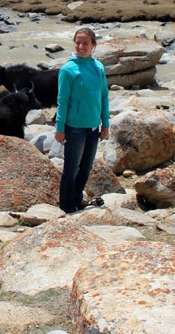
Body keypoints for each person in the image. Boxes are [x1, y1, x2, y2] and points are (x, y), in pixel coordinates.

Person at [55, 27, 110, 214]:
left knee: (86, 168)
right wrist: (60, 128)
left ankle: (77, 199)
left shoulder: (98, 67)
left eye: (85, 43)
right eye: (78, 42)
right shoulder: (68, 70)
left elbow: (103, 96)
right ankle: (66, 204)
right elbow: (62, 101)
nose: (81, 46)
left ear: (93, 45)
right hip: (75, 128)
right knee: (71, 168)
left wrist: (106, 124)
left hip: (93, 127)